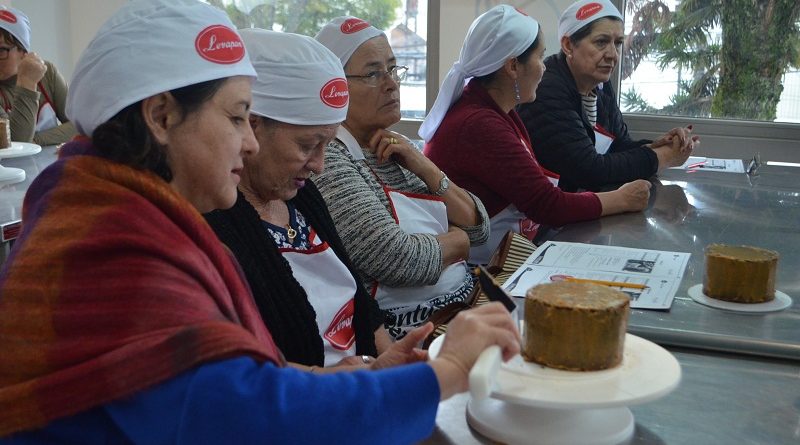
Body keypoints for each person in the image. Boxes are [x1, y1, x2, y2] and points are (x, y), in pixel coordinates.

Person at [0, 1, 520, 443]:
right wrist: (445, 373)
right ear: (161, 117)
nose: (247, 143)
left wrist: (375, 377)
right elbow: (253, 416)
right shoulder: (112, 247)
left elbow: (236, 377)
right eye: (236, 117)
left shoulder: (117, 208)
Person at [205, 29, 392, 370]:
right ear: (252, 127)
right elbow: (239, 368)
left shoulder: (301, 197)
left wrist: (392, 362)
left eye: (328, 144)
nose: (319, 165)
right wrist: (328, 380)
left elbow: (363, 306)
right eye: (307, 145)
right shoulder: (216, 223)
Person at [421, 4, 652, 265]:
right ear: (512, 67)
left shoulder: (496, 109)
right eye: (540, 58)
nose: (544, 68)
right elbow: (546, 204)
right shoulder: (478, 123)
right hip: (479, 268)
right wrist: (621, 199)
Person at [314, 17, 491, 340]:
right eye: (372, 74)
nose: (392, 84)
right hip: (416, 329)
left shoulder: (398, 148)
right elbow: (401, 260)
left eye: (393, 69)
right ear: (334, 87)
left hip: (465, 301)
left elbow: (479, 225)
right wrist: (459, 241)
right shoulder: (330, 161)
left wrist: (425, 167)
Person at [516, 0, 699, 192]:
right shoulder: (547, 89)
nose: (613, 54)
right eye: (601, 42)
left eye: (618, 43)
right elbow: (589, 170)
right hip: (540, 217)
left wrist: (659, 145)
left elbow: (619, 146)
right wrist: (664, 157)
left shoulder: (600, 83)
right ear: (568, 45)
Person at [0, 6, 76, 146]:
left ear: (23, 51)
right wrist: (27, 83)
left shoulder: (47, 73)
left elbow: (81, 123)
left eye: (1, 50)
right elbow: (16, 143)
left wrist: (36, 140)